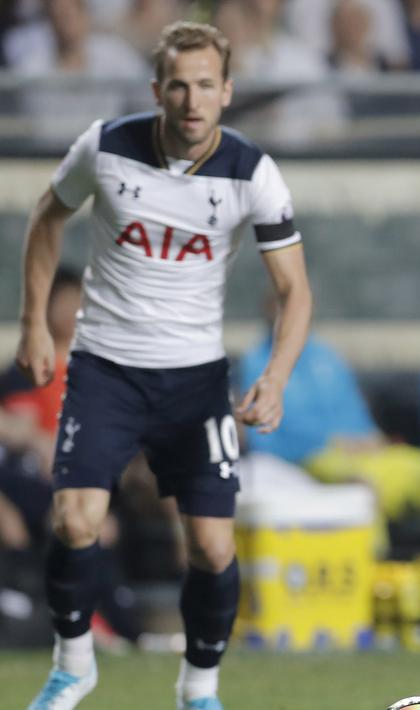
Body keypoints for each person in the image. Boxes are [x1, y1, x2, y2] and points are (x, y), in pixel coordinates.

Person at [16, 21, 313, 710]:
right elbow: (45, 217)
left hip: (194, 381)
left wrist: (275, 375)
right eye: (177, 85)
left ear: (226, 91)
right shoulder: (106, 146)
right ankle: (73, 666)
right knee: (74, 520)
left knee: (211, 548)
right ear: (157, 90)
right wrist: (33, 321)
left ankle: (199, 690)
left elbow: (295, 291)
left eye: (205, 85)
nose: (190, 99)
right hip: (105, 370)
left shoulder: (252, 172)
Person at [239, 311, 420, 637]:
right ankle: (378, 613)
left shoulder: (328, 359)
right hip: (315, 459)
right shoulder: (255, 364)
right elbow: (263, 432)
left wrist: (369, 438)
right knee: (362, 490)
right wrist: (330, 442)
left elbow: (356, 417)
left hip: (377, 455)